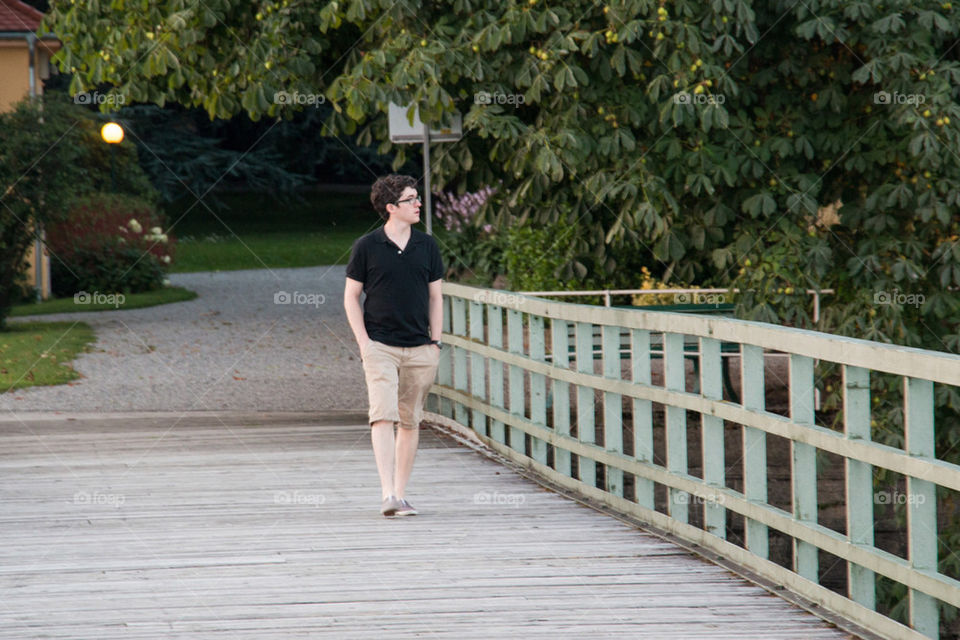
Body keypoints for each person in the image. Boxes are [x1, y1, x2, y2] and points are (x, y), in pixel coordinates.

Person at [343, 174, 444, 517]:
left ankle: (400, 495)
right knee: (382, 416)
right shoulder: (366, 246)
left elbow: (436, 297)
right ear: (391, 208)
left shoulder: (427, 246)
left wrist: (436, 342)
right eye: (411, 199)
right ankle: (387, 493)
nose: (418, 204)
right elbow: (351, 297)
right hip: (380, 346)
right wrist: (364, 343)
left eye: (418, 198)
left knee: (410, 420)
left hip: (420, 348)